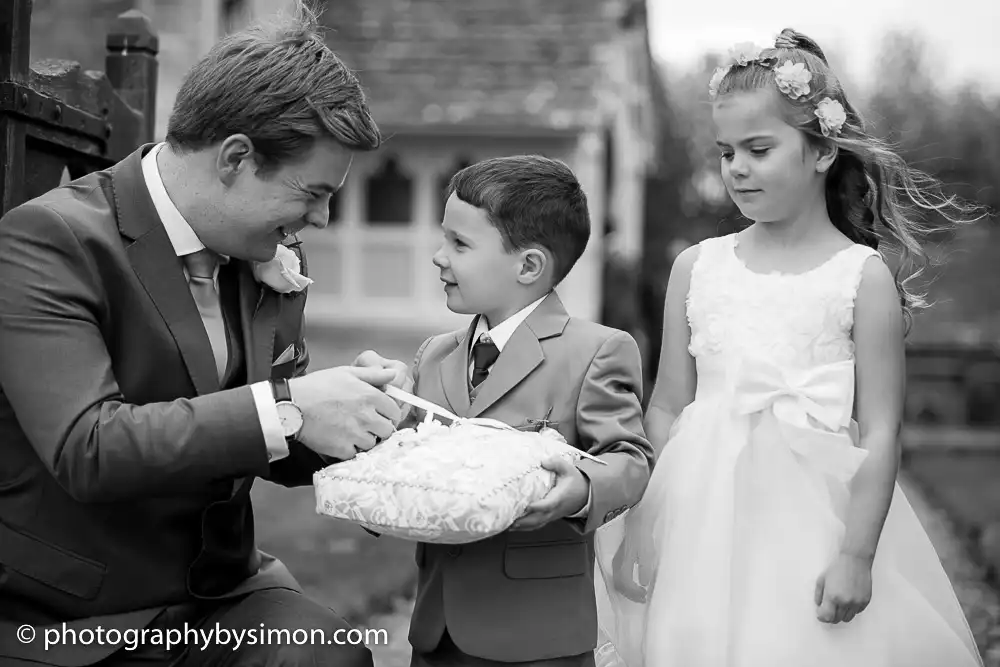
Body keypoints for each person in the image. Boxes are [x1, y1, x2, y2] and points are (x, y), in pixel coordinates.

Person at [0, 3, 410, 666]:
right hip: (75, 618)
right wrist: (291, 404)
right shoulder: (48, 242)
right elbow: (89, 447)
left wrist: (367, 419)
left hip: (224, 595)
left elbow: (271, 442)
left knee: (331, 655)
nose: (323, 218)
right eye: (312, 192)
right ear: (236, 158)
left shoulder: (268, 256)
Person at [593, 28, 988, 667]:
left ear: (823, 150)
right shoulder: (695, 268)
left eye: (758, 149)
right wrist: (643, 521)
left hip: (814, 523)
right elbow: (666, 405)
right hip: (701, 518)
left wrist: (857, 555)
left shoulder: (861, 278)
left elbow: (882, 432)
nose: (737, 169)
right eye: (725, 153)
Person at [403, 156, 654, 667]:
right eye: (442, 238)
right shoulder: (434, 355)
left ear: (529, 266)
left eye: (459, 244)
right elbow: (404, 467)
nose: (437, 256)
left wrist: (580, 489)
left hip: (540, 642)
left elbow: (629, 459)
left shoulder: (596, 351)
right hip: (436, 633)